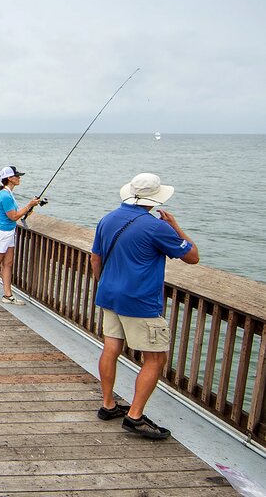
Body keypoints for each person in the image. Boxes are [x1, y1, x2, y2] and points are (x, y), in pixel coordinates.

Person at [91, 173, 199, 440]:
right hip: (139, 301)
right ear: (154, 198)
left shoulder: (108, 219)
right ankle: (135, 417)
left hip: (109, 295)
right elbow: (193, 257)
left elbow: (95, 258)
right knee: (156, 358)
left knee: (111, 346)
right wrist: (176, 228)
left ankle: (108, 405)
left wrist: (104, 284)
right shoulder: (156, 227)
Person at [0, 166, 41, 305]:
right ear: (9, 178)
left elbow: (16, 214)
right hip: (0, 234)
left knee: (8, 264)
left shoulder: (8, 193)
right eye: (17, 176)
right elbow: (13, 216)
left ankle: (8, 295)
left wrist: (29, 208)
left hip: (9, 233)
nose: (19, 178)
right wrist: (29, 204)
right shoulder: (5, 195)